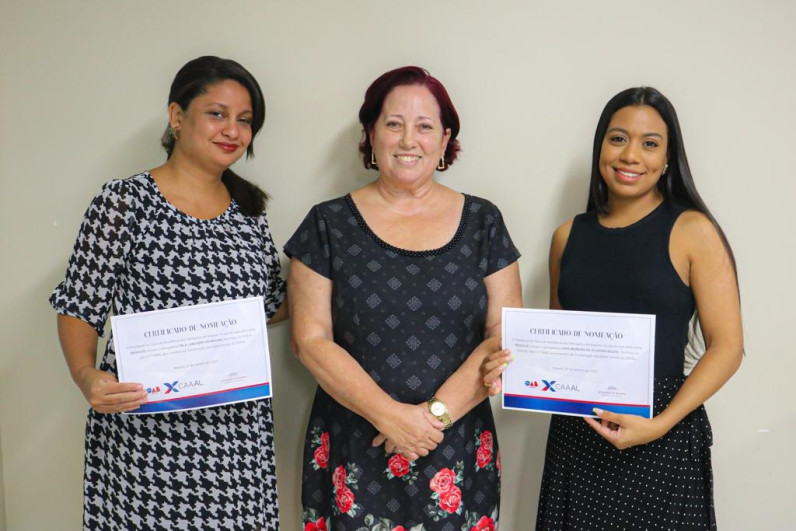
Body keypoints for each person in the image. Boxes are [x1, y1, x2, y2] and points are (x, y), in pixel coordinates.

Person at [484, 87, 743, 529]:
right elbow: (559, 346)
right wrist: (509, 366)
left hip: (661, 434)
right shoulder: (568, 236)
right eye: (618, 138)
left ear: (667, 158)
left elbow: (728, 347)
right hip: (577, 436)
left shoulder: (692, 230)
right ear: (600, 146)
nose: (631, 156)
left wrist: (659, 424)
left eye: (650, 143)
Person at [50, 56, 287, 529]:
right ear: (177, 116)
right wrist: (86, 376)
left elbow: (269, 306)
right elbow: (80, 303)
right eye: (217, 114)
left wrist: (337, 269)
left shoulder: (249, 212)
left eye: (245, 120)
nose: (233, 131)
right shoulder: (124, 202)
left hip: (235, 432)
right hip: (147, 429)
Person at [285, 66, 522, 529]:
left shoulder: (484, 222)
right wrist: (390, 417)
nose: (408, 140)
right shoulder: (327, 224)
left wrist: (431, 419)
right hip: (355, 444)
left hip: (455, 443)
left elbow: (504, 334)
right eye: (394, 124)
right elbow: (309, 340)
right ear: (372, 133)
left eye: (425, 126)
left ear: (445, 138)